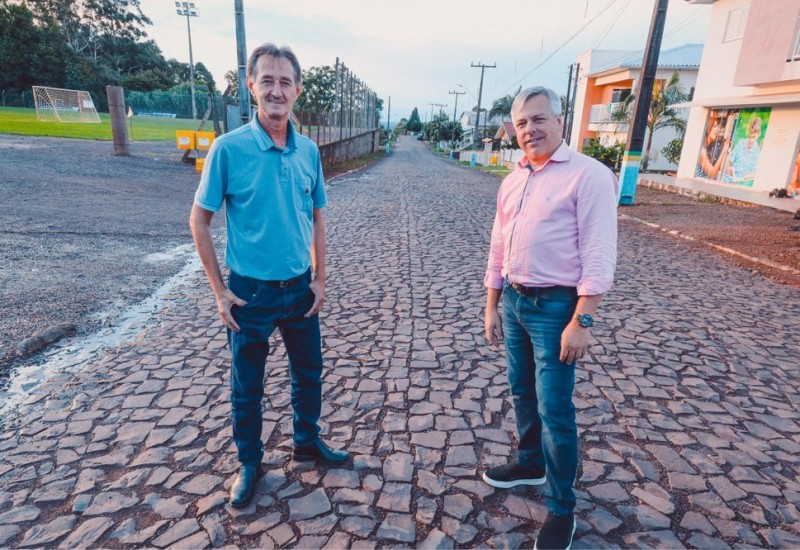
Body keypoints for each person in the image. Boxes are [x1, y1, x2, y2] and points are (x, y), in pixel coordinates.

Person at [190, 43, 348, 510]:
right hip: (249, 294)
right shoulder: (228, 149)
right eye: (267, 81)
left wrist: (320, 279)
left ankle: (306, 442)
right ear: (251, 86)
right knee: (247, 386)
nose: (276, 91)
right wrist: (220, 292)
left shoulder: (308, 151)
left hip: (300, 289)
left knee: (309, 374)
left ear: (297, 89)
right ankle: (249, 463)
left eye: (285, 82)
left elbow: (316, 216)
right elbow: (199, 221)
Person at [482, 86, 618, 550]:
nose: (530, 130)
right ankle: (529, 462)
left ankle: (561, 508)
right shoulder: (513, 179)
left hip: (557, 309)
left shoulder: (589, 176)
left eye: (539, 119)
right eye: (522, 123)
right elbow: (498, 245)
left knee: (555, 409)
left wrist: (583, 321)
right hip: (515, 301)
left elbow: (599, 253)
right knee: (521, 390)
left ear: (561, 121)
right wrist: (492, 303)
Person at [724, 115, 762, 184]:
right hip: (729, 178)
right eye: (750, 137)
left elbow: (751, 176)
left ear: (758, 134)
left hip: (741, 182)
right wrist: (728, 167)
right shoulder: (741, 143)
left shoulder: (757, 153)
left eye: (753, 137)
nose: (750, 140)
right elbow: (730, 160)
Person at [695, 115, 730, 180]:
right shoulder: (701, 151)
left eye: (718, 127)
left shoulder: (710, 147)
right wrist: (724, 151)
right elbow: (713, 173)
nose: (717, 129)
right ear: (708, 128)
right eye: (714, 126)